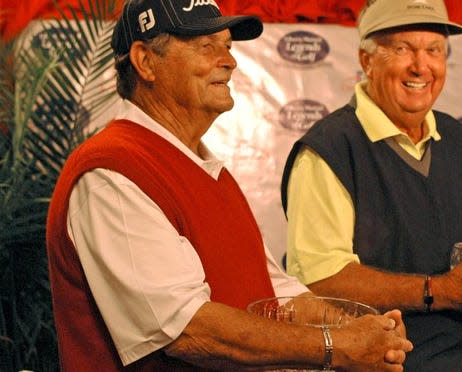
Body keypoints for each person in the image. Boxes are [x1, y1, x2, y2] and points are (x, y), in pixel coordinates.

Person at [45, 0, 413, 370]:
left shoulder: (206, 168)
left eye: (228, 46)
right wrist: (339, 345)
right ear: (145, 62)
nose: (230, 61)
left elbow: (274, 292)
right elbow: (189, 330)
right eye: (206, 47)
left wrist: (359, 331)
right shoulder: (111, 172)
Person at [281, 0, 462, 371]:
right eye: (402, 49)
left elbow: (451, 264)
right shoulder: (330, 148)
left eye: (434, 50)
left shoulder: (456, 139)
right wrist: (440, 292)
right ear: (367, 60)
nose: (421, 66)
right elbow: (320, 279)